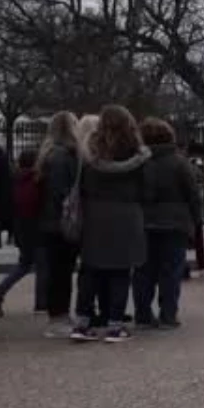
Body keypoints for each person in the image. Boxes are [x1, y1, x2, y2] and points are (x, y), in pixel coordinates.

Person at [70, 105, 151, 342]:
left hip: (95, 215)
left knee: (90, 271)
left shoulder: (90, 153)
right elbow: (147, 190)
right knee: (120, 271)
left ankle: (82, 322)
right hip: (126, 215)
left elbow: (82, 186)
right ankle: (115, 324)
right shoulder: (137, 154)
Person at [135, 118, 199, 329]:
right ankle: (168, 314)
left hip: (144, 221)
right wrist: (194, 221)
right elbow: (192, 194)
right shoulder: (179, 162)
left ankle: (143, 313)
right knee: (171, 271)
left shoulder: (138, 162)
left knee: (144, 271)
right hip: (175, 221)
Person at [36, 112, 81, 337]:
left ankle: (59, 314)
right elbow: (61, 193)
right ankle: (58, 316)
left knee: (58, 271)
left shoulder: (49, 155)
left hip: (50, 221)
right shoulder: (63, 156)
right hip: (60, 222)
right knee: (62, 272)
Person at [0, 150, 43, 316]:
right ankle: (41, 303)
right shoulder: (33, 180)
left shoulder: (16, 179)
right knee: (37, 263)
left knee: (25, 264)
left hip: (21, 226)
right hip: (32, 228)